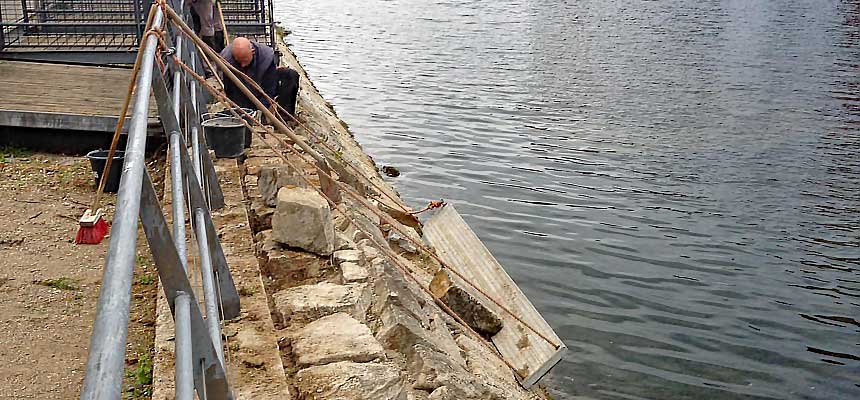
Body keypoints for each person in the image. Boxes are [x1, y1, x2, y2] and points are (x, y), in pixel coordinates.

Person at [220, 37, 300, 121]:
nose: (242, 65)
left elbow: (269, 88)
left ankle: (283, 119)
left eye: (245, 60)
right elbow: (230, 90)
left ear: (252, 52)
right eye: (238, 61)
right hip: (242, 94)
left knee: (290, 75)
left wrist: (262, 108)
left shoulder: (266, 57)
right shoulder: (226, 59)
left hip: (261, 87)